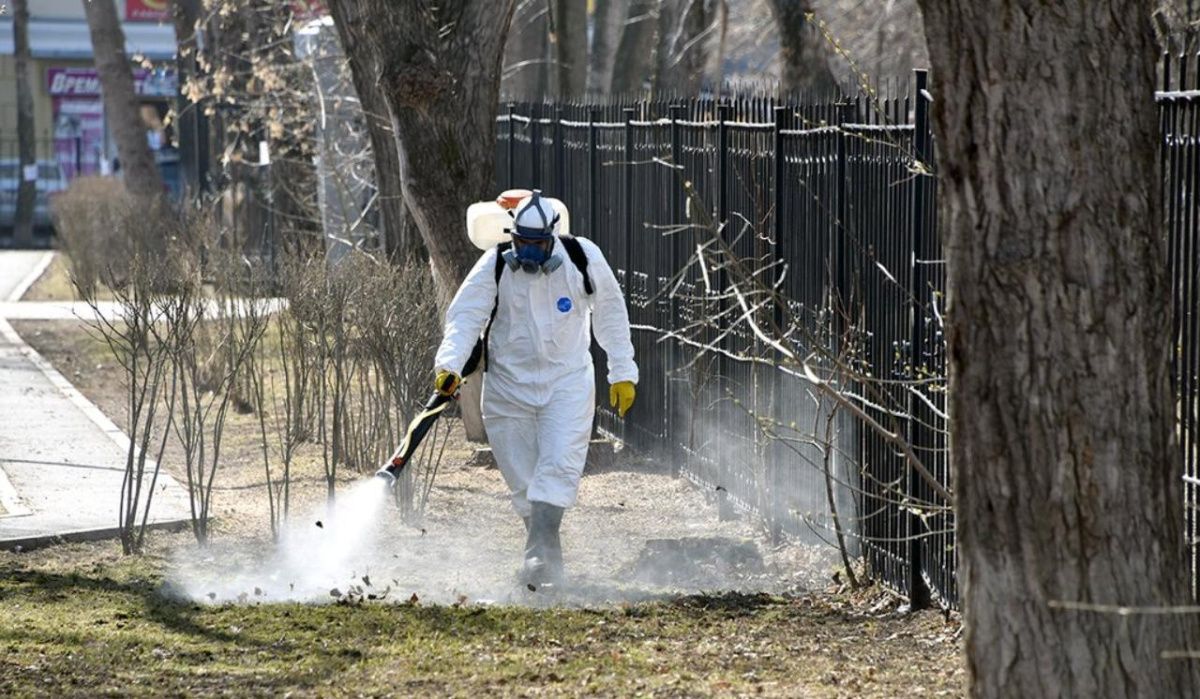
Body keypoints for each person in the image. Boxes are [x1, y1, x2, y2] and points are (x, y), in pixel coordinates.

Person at [432, 191, 638, 587]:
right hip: (509, 388)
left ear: (552, 238)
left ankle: (538, 557)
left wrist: (622, 371)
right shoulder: (494, 265)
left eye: (536, 244)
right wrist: (449, 366)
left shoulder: (582, 258)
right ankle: (545, 559)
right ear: (512, 238)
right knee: (522, 477)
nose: (528, 252)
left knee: (559, 464)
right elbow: (464, 317)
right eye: (521, 243)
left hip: (567, 383)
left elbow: (611, 312)